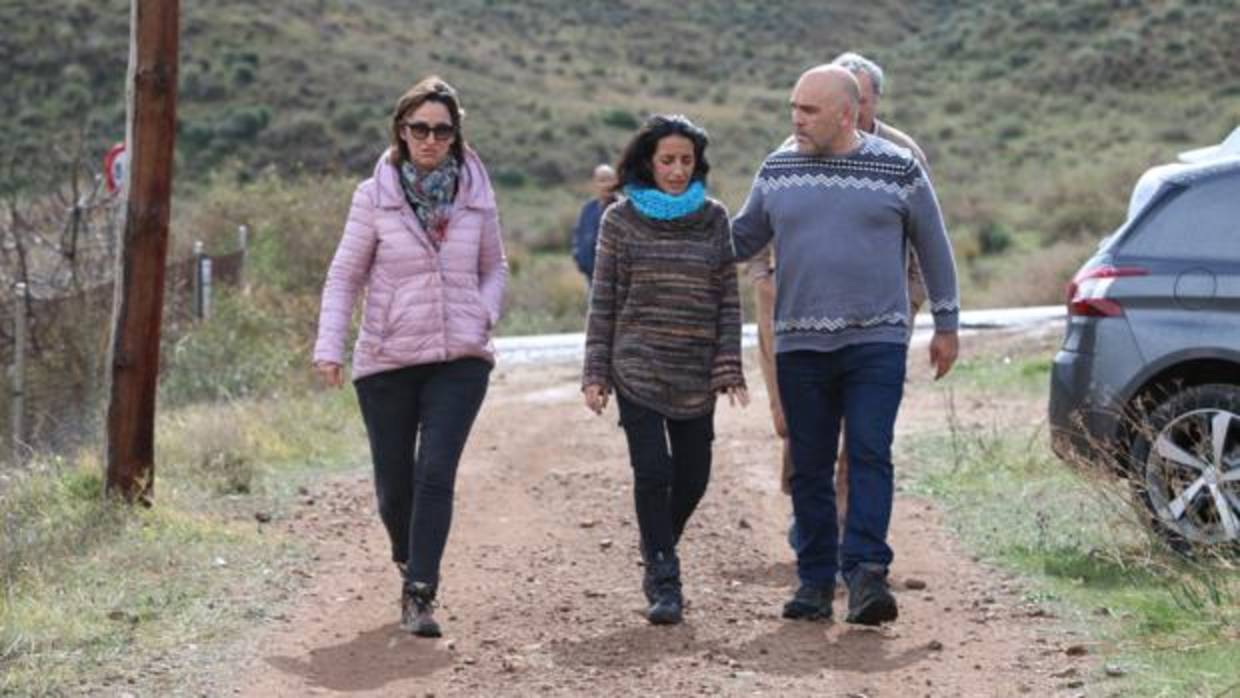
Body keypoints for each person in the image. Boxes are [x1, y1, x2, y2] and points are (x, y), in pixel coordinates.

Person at [732, 66, 960, 626]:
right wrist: (680, 220)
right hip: (801, 345)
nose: (796, 119)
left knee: (867, 452)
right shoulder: (777, 168)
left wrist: (947, 325)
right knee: (808, 465)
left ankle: (865, 575)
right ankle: (813, 580)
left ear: (846, 113)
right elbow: (741, 238)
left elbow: (934, 247)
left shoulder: (899, 168)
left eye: (808, 110)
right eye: (793, 107)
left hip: (875, 339)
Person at [312, 76, 507, 638]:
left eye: (442, 130)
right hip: (387, 358)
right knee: (394, 489)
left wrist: (482, 313)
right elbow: (345, 275)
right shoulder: (373, 195)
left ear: (454, 134)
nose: (430, 138)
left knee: (436, 473)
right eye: (419, 128)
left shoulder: (475, 192)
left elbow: (495, 266)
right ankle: (407, 552)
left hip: (461, 358)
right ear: (402, 131)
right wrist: (330, 346)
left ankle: (421, 591)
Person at [756, 51, 932, 544]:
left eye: (865, 97)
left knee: (865, 436)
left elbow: (926, 239)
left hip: (878, 318)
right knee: (800, 424)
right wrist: (765, 285)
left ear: (870, 101)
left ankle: (852, 534)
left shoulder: (902, 154)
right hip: (797, 312)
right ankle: (811, 520)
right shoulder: (789, 152)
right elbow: (758, 232)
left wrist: (911, 302)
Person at [582, 114, 748, 626]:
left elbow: (727, 299)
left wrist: (728, 364)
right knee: (652, 470)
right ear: (648, 164)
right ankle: (665, 576)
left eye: (686, 161)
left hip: (695, 370)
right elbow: (603, 298)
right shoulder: (620, 220)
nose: (677, 171)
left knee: (693, 475)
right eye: (667, 161)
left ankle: (656, 542)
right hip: (637, 364)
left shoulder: (715, 218)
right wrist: (596, 371)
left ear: (698, 165)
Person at [571, 164, 618, 284]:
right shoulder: (588, 208)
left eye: (610, 180)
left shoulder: (623, 208)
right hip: (591, 274)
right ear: (595, 184)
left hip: (616, 278)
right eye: (602, 180)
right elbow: (578, 234)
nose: (607, 184)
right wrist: (579, 258)